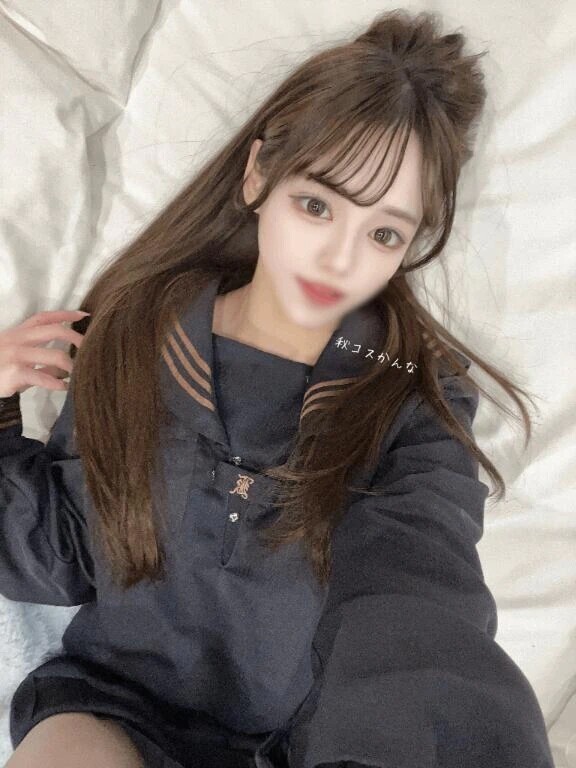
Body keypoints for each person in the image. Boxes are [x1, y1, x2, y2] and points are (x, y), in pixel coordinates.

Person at [0, 8, 554, 768]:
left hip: (306, 741)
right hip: (117, 706)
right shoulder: (139, 333)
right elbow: (64, 541)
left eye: (384, 233)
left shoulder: (410, 394)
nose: (338, 259)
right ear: (259, 173)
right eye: (317, 205)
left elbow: (420, 575)